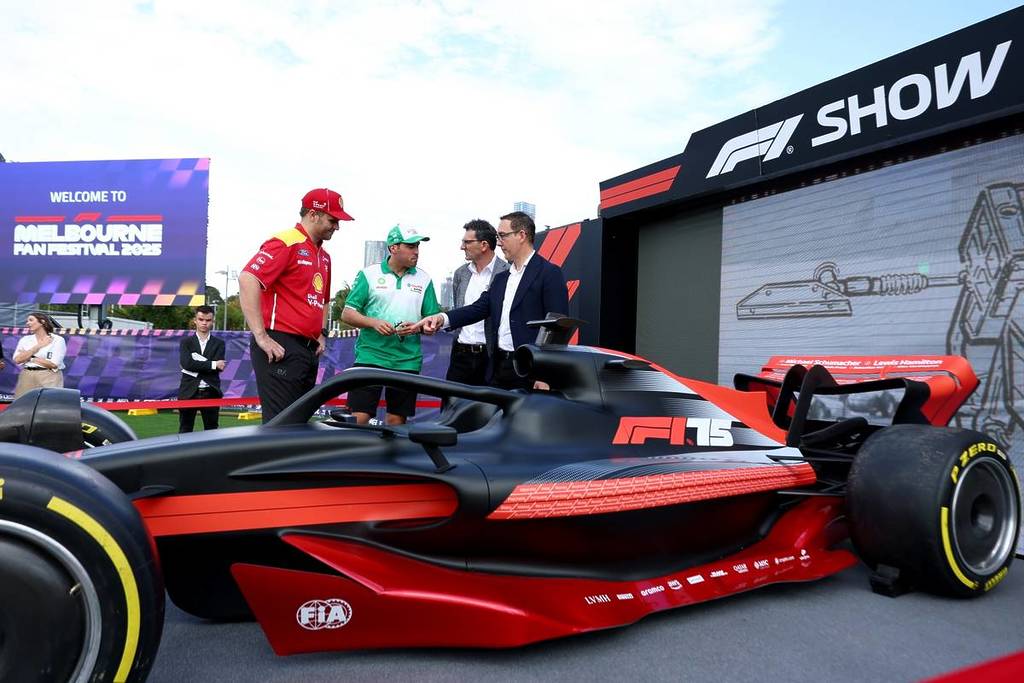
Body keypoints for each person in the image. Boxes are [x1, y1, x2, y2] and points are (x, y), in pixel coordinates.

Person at [239, 187, 353, 423]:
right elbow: (247, 278)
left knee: (298, 425)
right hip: (280, 345)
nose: (337, 226)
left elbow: (323, 300)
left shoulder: (324, 256)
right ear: (313, 214)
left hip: (307, 350)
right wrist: (261, 336)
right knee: (281, 426)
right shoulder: (285, 242)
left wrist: (321, 334)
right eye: (333, 220)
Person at [419, 211, 568, 390]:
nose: (498, 242)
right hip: (497, 370)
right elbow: (477, 309)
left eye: (502, 236)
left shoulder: (549, 273)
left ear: (522, 235)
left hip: (529, 371)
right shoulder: (501, 279)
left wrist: (545, 375)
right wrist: (441, 319)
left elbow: (557, 326)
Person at [342, 225, 442, 425]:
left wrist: (418, 327)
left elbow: (432, 320)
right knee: (359, 417)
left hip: (407, 360)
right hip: (370, 356)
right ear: (394, 247)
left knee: (396, 419)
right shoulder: (368, 274)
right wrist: (374, 322)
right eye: (411, 246)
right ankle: (355, 456)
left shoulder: (425, 279)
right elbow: (347, 313)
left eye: (418, 246)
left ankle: (389, 457)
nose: (416, 251)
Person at [446, 219, 508, 385]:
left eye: (467, 242)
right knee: (452, 408)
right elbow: (460, 311)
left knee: (489, 409)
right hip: (460, 355)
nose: (462, 247)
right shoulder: (460, 273)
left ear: (484, 245)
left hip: (491, 357)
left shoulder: (507, 273)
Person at [177, 305, 226, 433]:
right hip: (188, 391)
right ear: (195, 320)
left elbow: (219, 368)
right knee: (185, 429)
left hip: (211, 391)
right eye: (201, 319)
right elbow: (187, 364)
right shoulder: (186, 342)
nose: (204, 323)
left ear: (213, 321)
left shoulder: (219, 343)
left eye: (208, 320)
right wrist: (213, 364)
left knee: (211, 431)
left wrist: (195, 365)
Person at [12, 311, 67, 398]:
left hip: (49, 376)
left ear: (42, 322)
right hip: (27, 375)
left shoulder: (58, 340)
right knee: (23, 404)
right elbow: (17, 360)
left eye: (31, 320)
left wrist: (30, 357)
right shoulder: (25, 339)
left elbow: (53, 364)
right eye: (27, 321)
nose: (28, 323)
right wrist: (38, 346)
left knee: (49, 404)